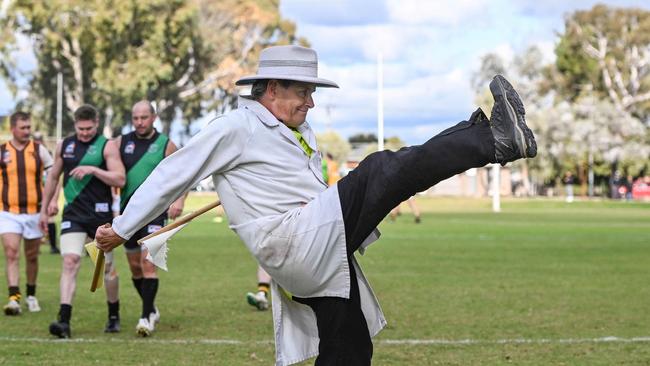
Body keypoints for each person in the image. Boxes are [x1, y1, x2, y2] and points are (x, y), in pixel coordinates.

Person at [96, 45, 537, 365]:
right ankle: (493, 139)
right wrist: (123, 227)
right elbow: (172, 174)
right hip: (296, 240)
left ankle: (481, 129)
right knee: (382, 168)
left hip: (314, 242)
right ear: (271, 88)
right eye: (302, 91)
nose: (311, 101)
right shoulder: (235, 126)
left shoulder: (285, 131)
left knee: (349, 346)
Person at [39, 104, 125, 338]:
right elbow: (53, 177)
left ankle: (113, 314)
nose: (85, 133)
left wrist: (93, 170)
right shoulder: (64, 146)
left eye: (89, 128)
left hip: (100, 219)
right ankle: (64, 321)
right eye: (81, 128)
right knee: (70, 261)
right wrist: (45, 208)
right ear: (75, 125)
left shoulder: (106, 146)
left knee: (106, 269)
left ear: (96, 123)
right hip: (73, 215)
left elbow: (120, 178)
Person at [116, 100, 185, 336]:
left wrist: (179, 200)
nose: (139, 122)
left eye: (144, 117)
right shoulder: (120, 143)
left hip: (156, 213)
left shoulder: (166, 144)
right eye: (135, 118)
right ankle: (151, 308)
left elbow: (186, 173)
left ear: (153, 117)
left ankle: (145, 318)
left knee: (148, 264)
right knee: (135, 267)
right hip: (128, 215)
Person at [1, 112, 54, 315]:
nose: (26, 131)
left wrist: (49, 203)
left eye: (28, 127)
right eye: (23, 127)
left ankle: (31, 295)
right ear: (12, 128)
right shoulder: (2, 151)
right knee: (11, 253)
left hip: (34, 212)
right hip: (8, 212)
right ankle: (14, 298)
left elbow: (53, 176)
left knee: (32, 256)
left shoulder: (39, 150)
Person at [32, 131, 61, 254]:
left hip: (46, 191)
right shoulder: (30, 154)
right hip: (34, 193)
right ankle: (36, 247)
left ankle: (53, 246)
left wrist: (53, 197)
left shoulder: (46, 154)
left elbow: (55, 176)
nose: (38, 142)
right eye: (36, 140)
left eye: (40, 140)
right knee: (35, 219)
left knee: (50, 219)